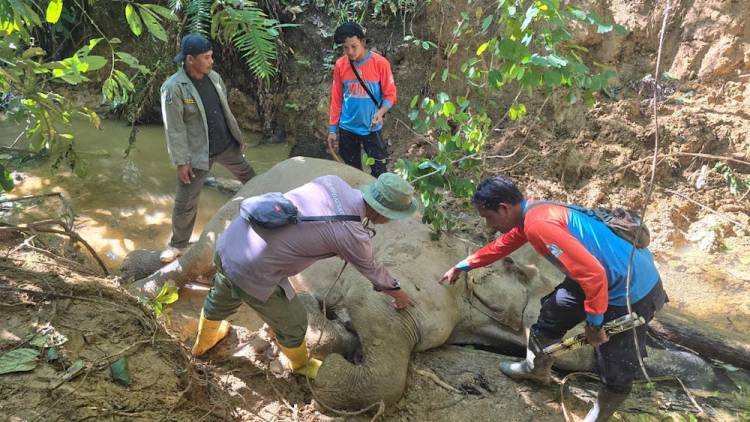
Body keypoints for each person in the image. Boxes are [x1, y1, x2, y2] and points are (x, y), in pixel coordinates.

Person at [440, 176, 667, 422]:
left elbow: (594, 275)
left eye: (487, 216)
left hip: (630, 291)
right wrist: (463, 265)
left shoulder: (539, 224)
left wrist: (595, 324)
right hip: (600, 274)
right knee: (552, 313)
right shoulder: (534, 212)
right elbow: (503, 244)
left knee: (616, 363)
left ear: (504, 208)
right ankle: (535, 369)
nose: (487, 224)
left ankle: (599, 415)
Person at [192, 172, 417, 378]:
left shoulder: (333, 181)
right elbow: (374, 271)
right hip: (254, 270)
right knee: (294, 324)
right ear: (382, 213)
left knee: (224, 289)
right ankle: (299, 366)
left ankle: (204, 342)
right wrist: (400, 296)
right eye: (394, 215)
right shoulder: (352, 234)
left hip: (231, 241)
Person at [159, 33, 256, 263]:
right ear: (190, 60)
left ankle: (262, 222)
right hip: (197, 155)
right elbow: (175, 129)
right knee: (186, 200)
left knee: (252, 179)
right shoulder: (173, 88)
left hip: (226, 146)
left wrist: (238, 138)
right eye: (206, 57)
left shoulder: (214, 78)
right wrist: (181, 162)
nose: (211, 61)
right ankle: (178, 245)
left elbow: (224, 112)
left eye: (211, 56)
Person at [326, 21, 396, 177]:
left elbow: (391, 94)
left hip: (371, 127)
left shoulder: (380, 64)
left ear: (363, 42)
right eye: (345, 48)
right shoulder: (340, 65)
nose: (350, 52)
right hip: (347, 128)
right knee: (352, 173)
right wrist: (332, 130)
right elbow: (336, 98)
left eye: (354, 46)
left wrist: (381, 112)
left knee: (380, 173)